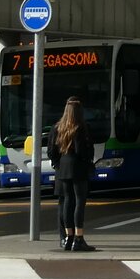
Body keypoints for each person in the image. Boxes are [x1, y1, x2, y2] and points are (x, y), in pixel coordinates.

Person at [48, 97, 96, 252]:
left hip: (63, 168)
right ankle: (79, 238)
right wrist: (88, 159)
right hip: (78, 168)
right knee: (79, 202)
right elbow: (82, 150)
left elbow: (52, 152)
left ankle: (68, 237)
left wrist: (58, 163)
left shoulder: (58, 127)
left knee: (67, 201)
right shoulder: (81, 127)